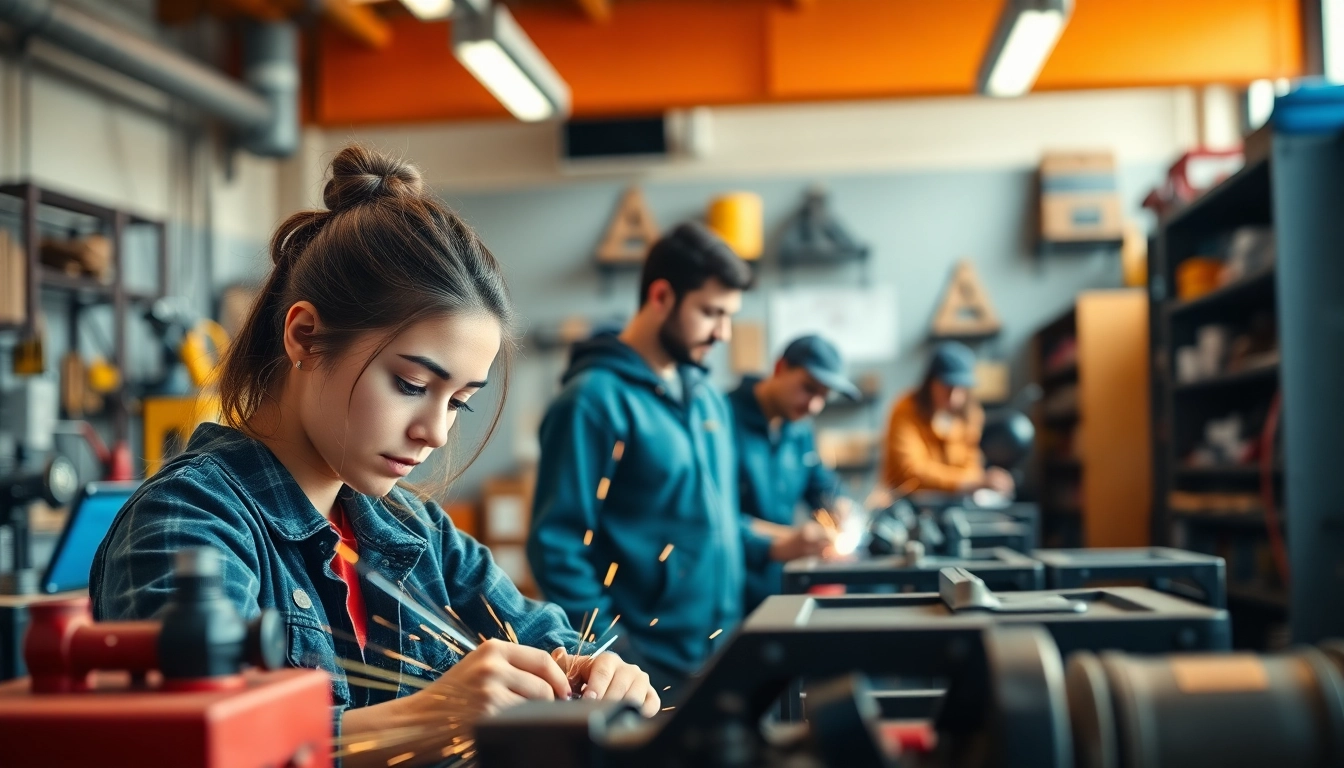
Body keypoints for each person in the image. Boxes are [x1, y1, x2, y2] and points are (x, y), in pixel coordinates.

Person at [91, 146, 657, 768]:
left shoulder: (415, 532)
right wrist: (432, 714)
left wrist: (593, 673)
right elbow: (208, 750)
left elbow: (545, 638)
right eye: (413, 385)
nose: (435, 432)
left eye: (458, 402)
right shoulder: (188, 525)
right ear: (305, 336)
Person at [527, 223, 828, 692]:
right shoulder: (592, 401)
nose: (724, 333)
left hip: (721, 647)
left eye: (729, 315)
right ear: (662, 295)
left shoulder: (708, 398)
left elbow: (713, 519)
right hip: (645, 664)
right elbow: (558, 548)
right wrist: (615, 653)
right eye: (711, 313)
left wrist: (781, 544)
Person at [729, 335, 857, 613]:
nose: (814, 406)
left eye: (823, 397)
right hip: (731, 589)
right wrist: (786, 539)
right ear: (780, 368)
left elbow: (819, 482)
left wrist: (840, 505)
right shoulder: (723, 418)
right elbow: (715, 518)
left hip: (780, 587)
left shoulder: (798, 429)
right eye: (808, 388)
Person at [882, 341, 1015, 496]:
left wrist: (984, 480)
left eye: (960, 387)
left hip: (957, 501)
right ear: (930, 382)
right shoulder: (906, 409)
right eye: (947, 386)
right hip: (907, 501)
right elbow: (910, 471)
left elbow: (971, 465)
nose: (954, 397)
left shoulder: (971, 413)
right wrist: (971, 481)